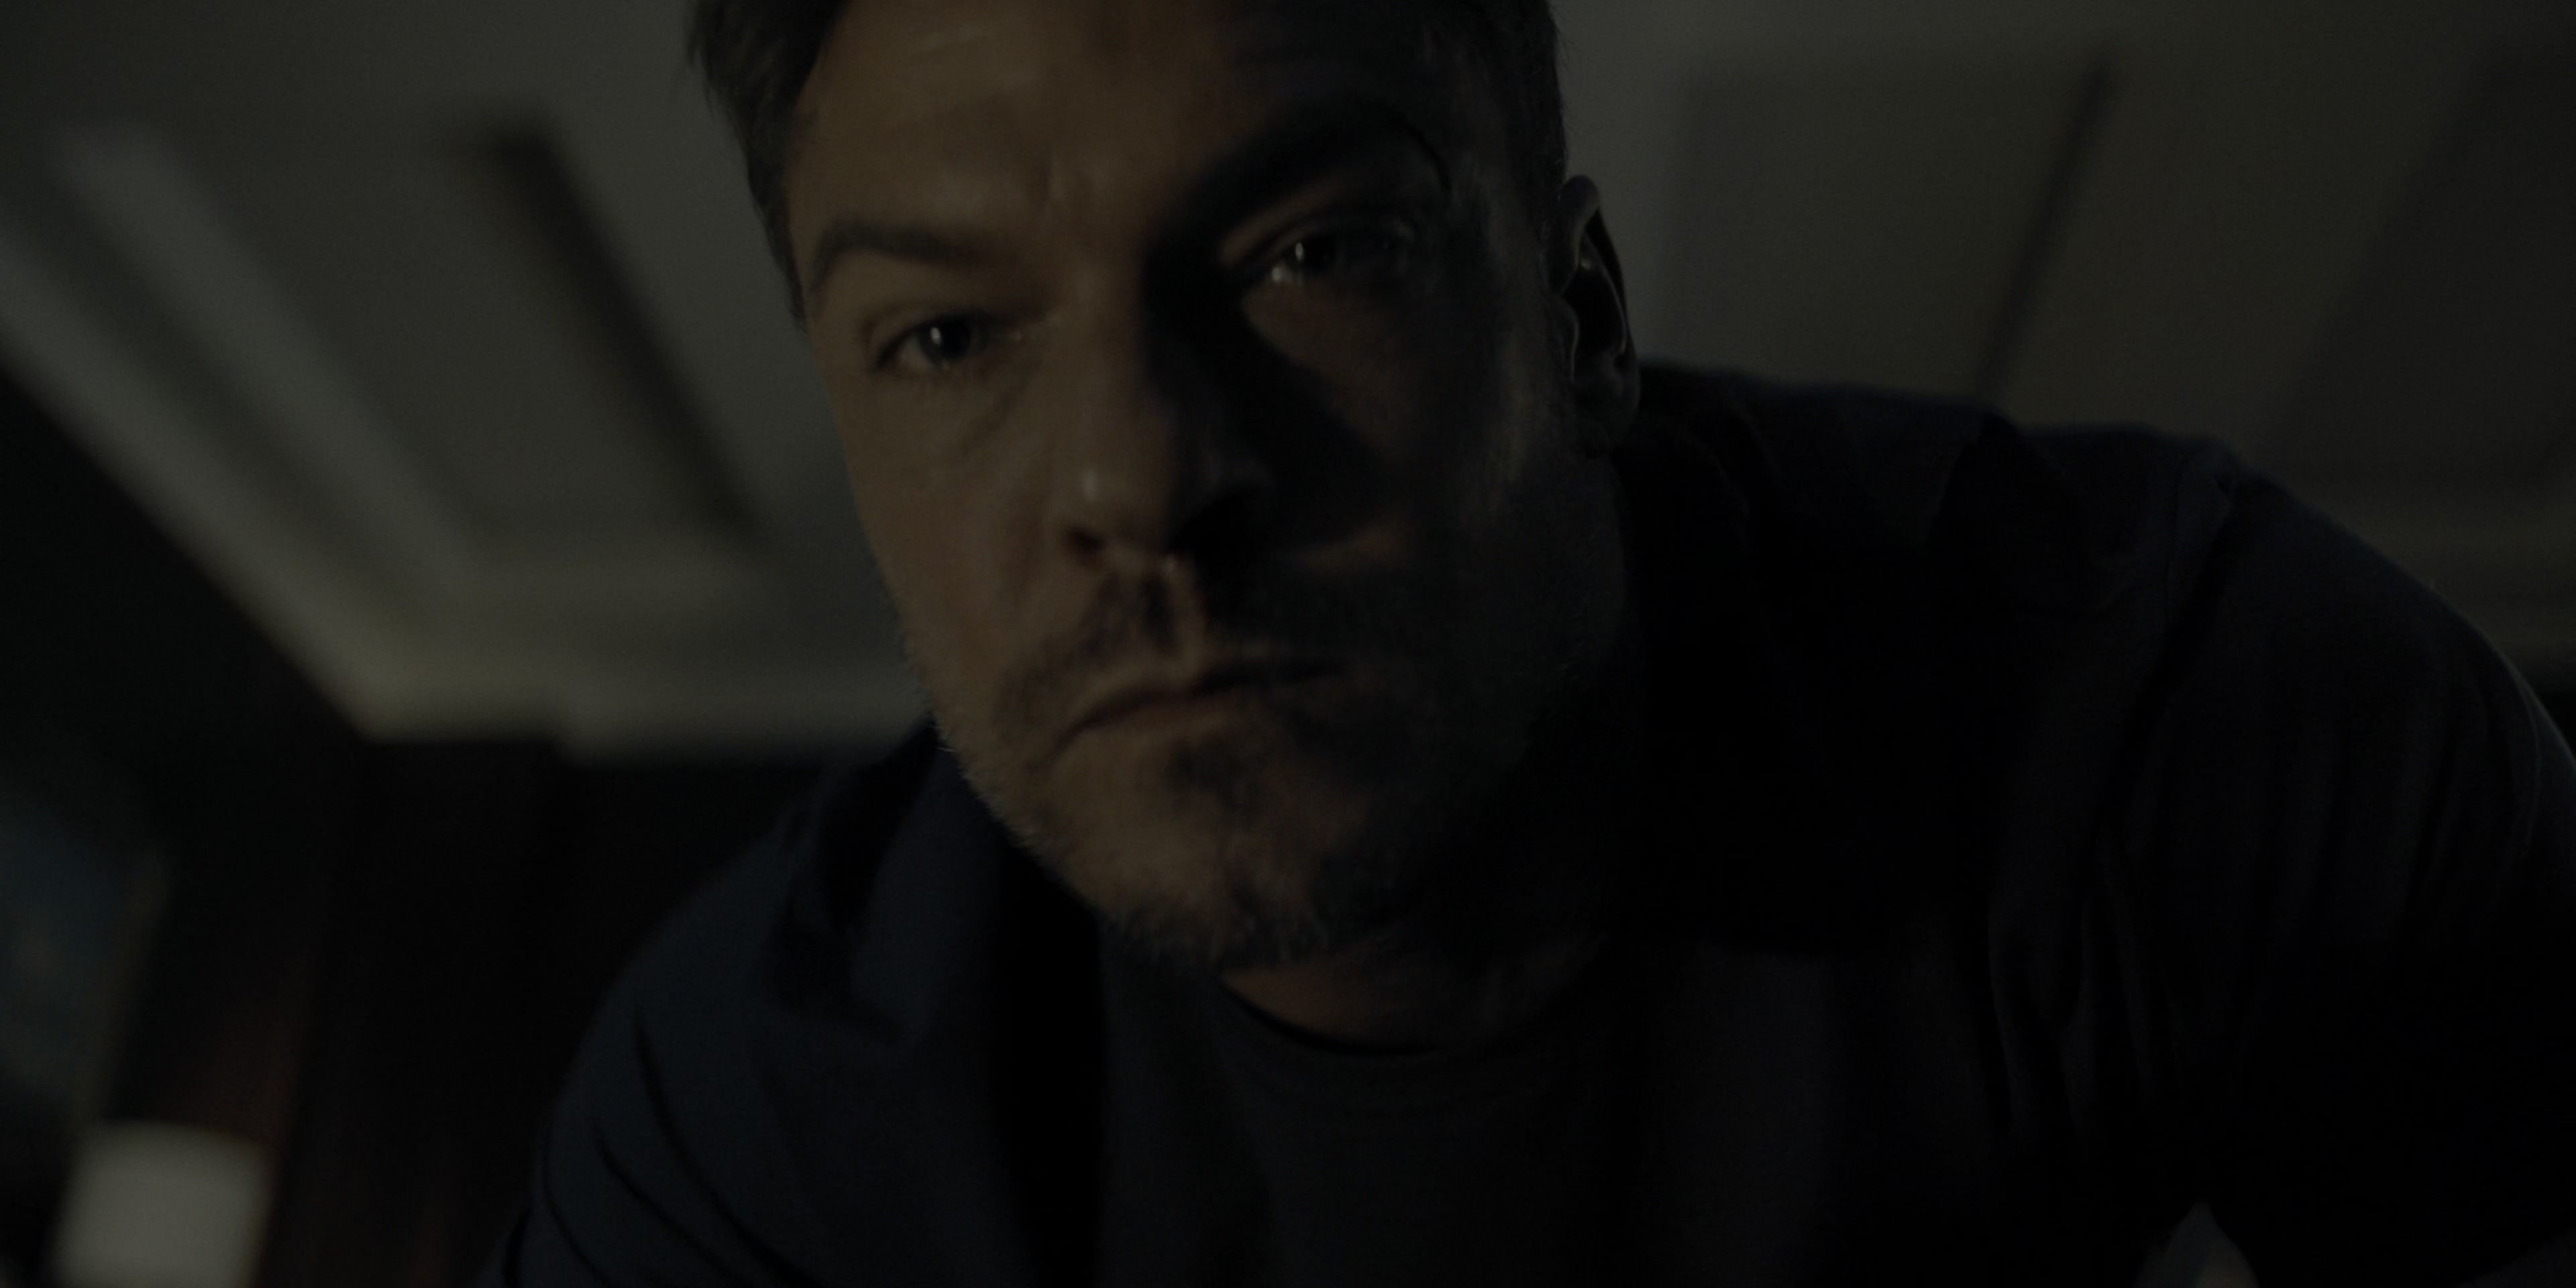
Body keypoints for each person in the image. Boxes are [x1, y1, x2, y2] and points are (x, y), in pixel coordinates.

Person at [468, 0, 2576, 1283]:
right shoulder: (744, 1130)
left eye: (1312, 248)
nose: (1136, 472)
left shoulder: (2183, 714)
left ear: (1581, 321)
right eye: (944, 337)